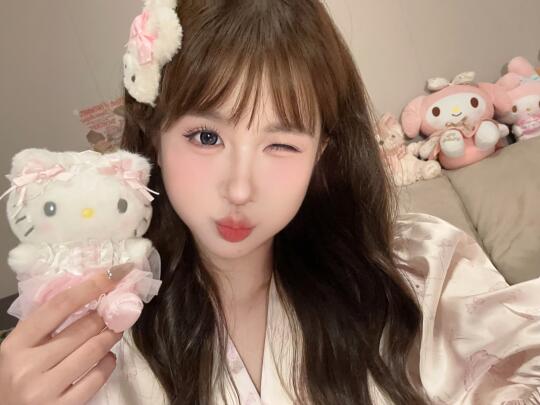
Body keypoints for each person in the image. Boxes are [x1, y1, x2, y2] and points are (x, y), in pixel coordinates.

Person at [1, 1, 540, 404]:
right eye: (206, 137)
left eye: (281, 145)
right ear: (156, 137)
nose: (240, 189)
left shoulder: (414, 271)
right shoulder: (97, 331)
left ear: (321, 153)